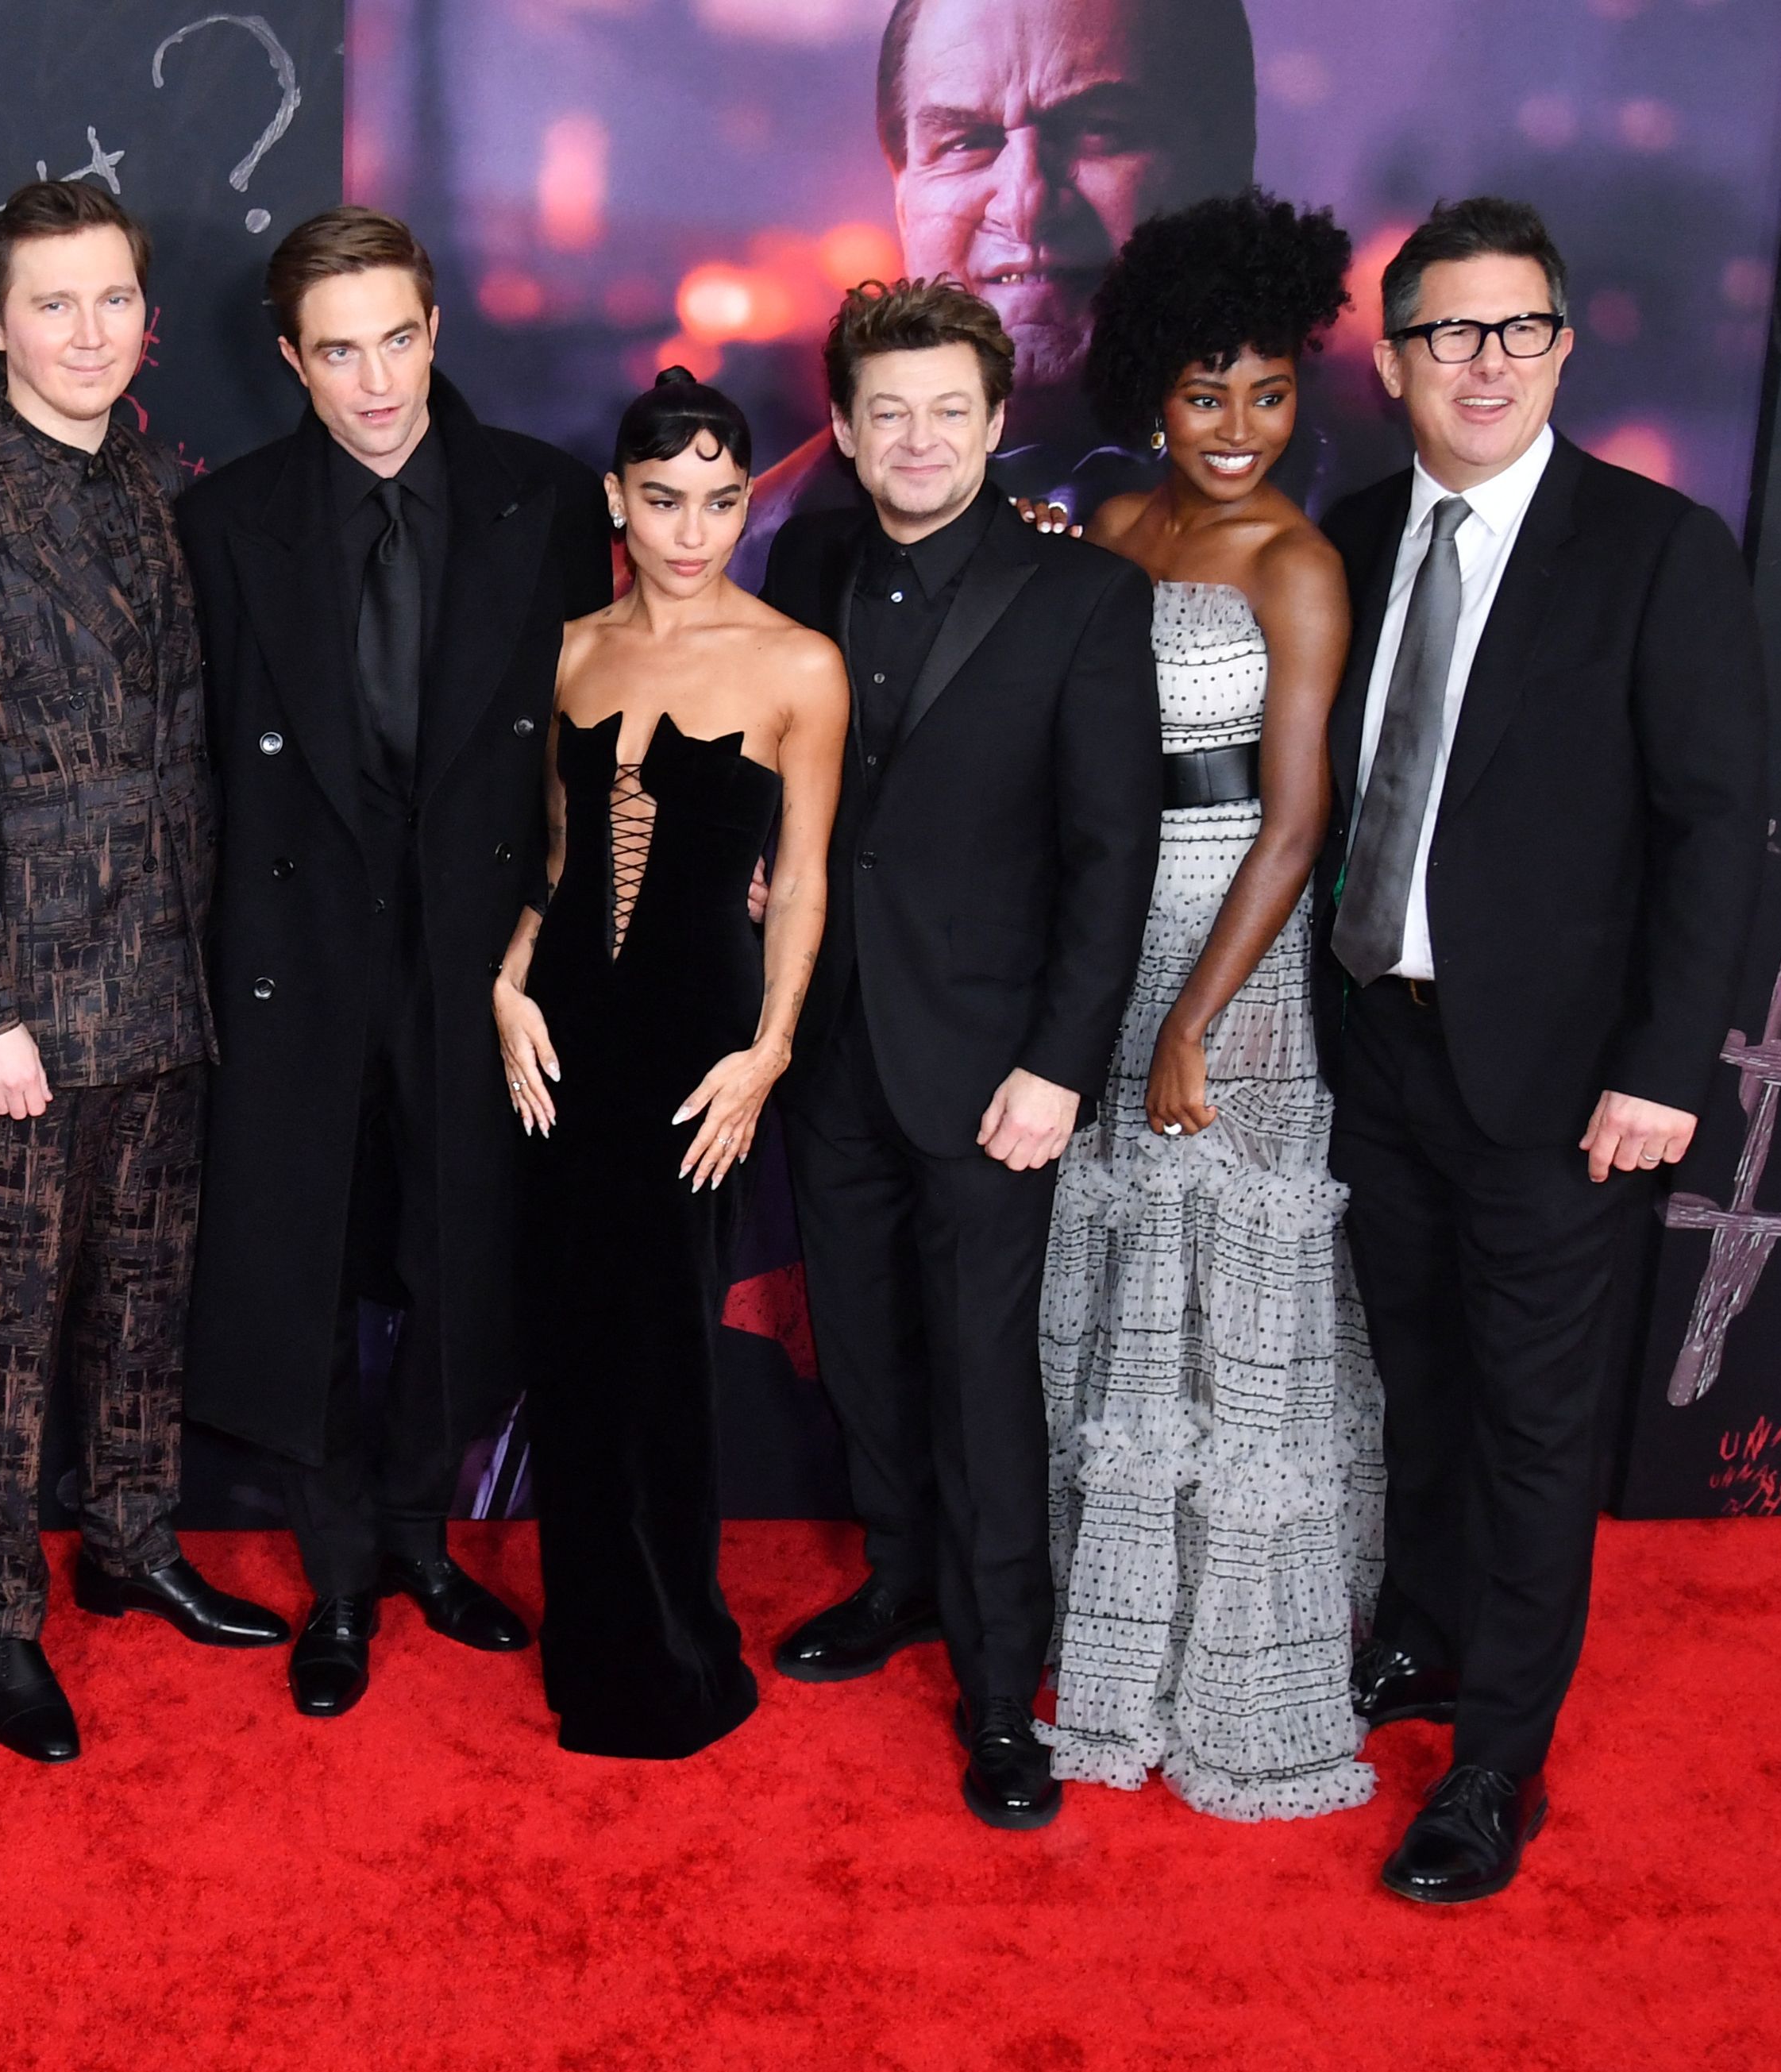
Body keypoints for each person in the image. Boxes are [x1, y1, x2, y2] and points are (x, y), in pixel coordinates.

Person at [1320, 199, 1762, 1902]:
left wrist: (1659, 1069)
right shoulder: (1348, 535)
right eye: (1447, 331)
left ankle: (1493, 1759)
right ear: (1392, 358)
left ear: (1563, 346)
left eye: (1516, 329)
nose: (1482, 361)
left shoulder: (1656, 549)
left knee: (1525, 1419)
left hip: (1565, 1088)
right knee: (1415, 1382)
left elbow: (1713, 826)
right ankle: (1423, 1638)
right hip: (1380, 1048)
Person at [0, 179, 287, 1765]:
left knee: (146, 1288)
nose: (86, 331)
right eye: (53, 303)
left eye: (110, 299)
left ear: (145, 312)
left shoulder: (160, 483)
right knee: (6, 1317)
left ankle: (127, 1537)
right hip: (26, 1006)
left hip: (170, 972)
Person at [179, 208, 615, 1719]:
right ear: (291, 361)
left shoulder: (544, 501)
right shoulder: (227, 524)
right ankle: (341, 1573)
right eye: (339, 349)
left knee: (461, 1248)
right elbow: (208, 772)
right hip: (295, 956)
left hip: (480, 949)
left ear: (439, 329)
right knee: (300, 1267)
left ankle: (426, 1536)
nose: (377, 380)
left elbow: (594, 730)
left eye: (399, 338)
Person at [756, 279, 1159, 1828]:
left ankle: (1001, 1691)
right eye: (885, 412)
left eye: (947, 411)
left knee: (982, 1373)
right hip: (830, 1033)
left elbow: (1106, 853)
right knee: (856, 1341)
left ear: (994, 424)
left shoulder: (1079, 595)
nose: (915, 438)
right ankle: (897, 1581)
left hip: (992, 1057)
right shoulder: (808, 556)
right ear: (847, 434)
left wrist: (1060, 1062)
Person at [1039, 190, 1379, 1820]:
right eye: (1200, 392)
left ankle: (1230, 1660)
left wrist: (1188, 1020)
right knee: (1124, 1290)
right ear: (1143, 396)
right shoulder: (1105, 533)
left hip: (1229, 951)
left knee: (1220, 1298)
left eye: (1264, 391)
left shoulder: (1294, 561)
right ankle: (1114, 1628)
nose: (1235, 428)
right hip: (1106, 938)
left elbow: (1297, 821)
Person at [492, 369, 845, 1759]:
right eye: (663, 501)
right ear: (616, 501)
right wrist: (506, 982)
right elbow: (559, 861)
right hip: (564, 1033)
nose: (693, 531)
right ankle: (595, 1644)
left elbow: (803, 882)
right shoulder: (568, 646)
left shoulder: (795, 662)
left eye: (719, 501)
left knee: (666, 1351)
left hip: (702, 1044)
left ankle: (676, 1646)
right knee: (574, 1346)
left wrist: (770, 1048)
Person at [736, 0, 1259, 566]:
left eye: (1099, 131)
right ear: (902, 193)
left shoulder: (1351, 525)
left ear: (1226, 162)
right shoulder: (760, 556)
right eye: (966, 143)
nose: (1024, 202)